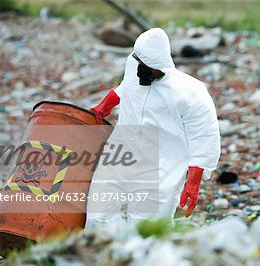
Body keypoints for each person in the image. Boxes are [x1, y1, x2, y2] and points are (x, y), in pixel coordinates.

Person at [85, 28, 220, 228]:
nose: (144, 72)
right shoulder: (134, 64)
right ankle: (104, 253)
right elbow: (127, 86)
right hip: (122, 150)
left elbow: (204, 136)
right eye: (141, 65)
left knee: (147, 225)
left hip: (162, 163)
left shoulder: (191, 92)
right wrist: (104, 106)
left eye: (151, 69)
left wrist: (193, 183)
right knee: (98, 212)